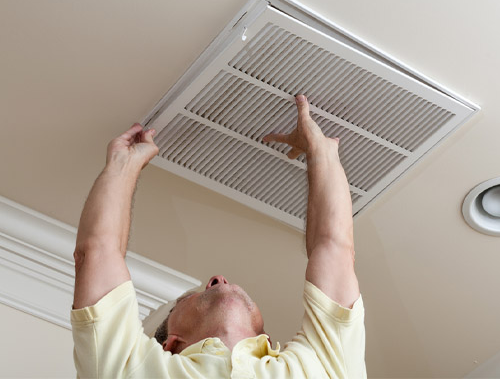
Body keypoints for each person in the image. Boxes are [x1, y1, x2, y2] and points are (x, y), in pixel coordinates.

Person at [71, 95, 366, 378]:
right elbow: (335, 249)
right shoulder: (320, 368)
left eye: (194, 293)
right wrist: (320, 153)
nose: (219, 280)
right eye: (195, 295)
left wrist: (122, 166)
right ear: (171, 345)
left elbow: (97, 254)